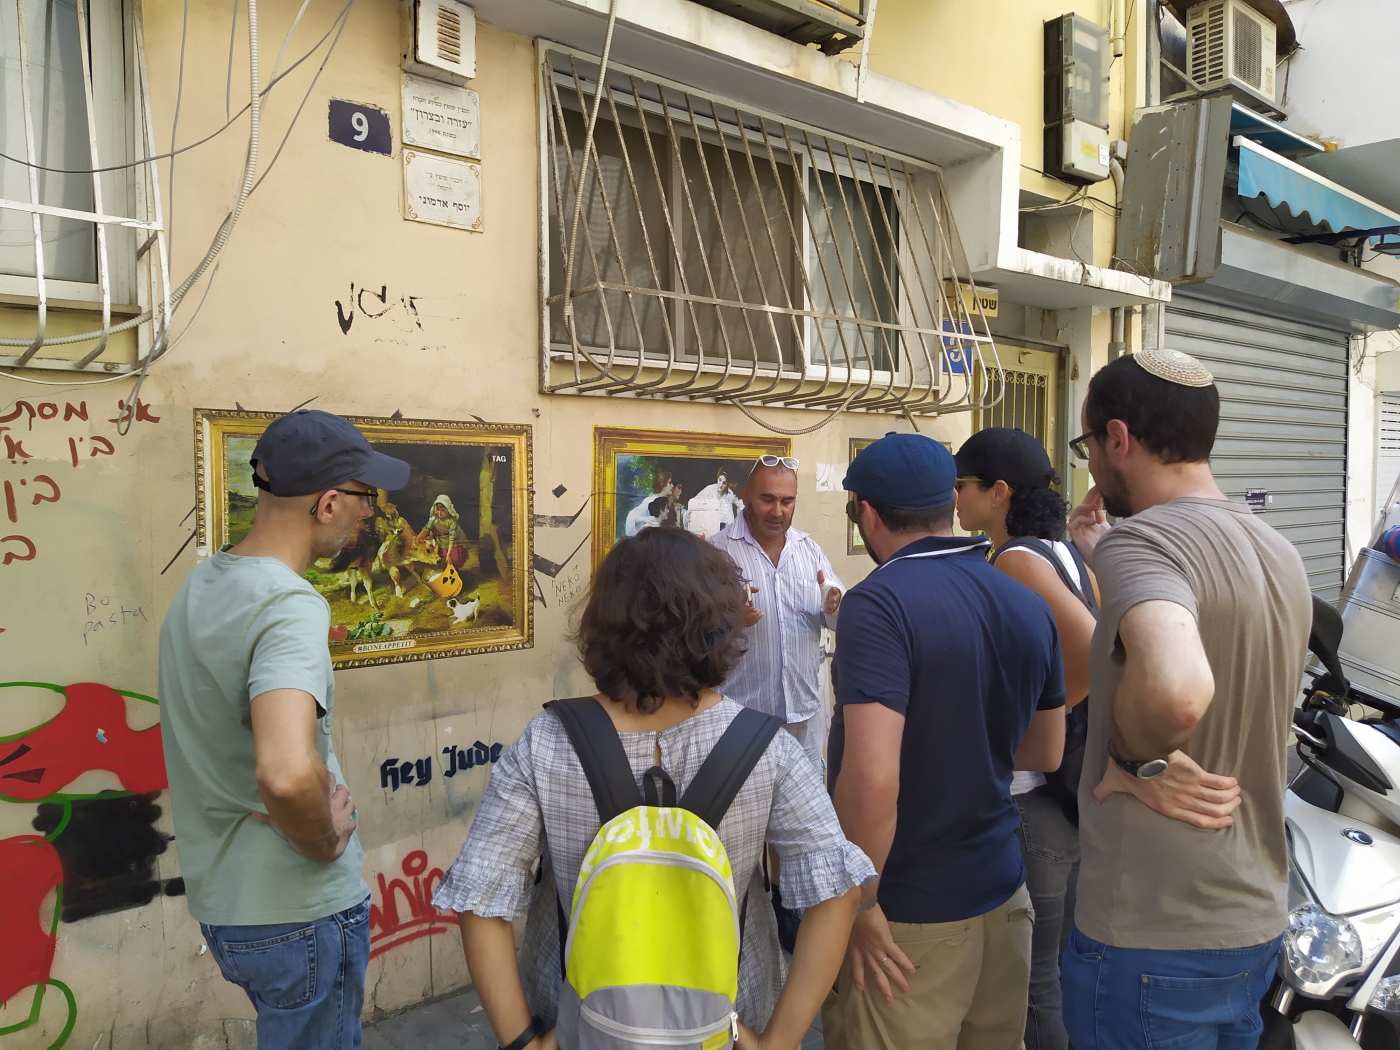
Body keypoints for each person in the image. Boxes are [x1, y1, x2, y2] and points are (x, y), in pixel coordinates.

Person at [431, 527, 875, 1050]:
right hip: (721, 1026)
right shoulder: (767, 748)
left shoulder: (548, 741)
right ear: (720, 625)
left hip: (581, 1029)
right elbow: (838, 893)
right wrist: (775, 1043)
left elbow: (479, 896)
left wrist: (524, 1042)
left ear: (603, 622)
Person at [1060, 348, 1311, 1049]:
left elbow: (1179, 691)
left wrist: (1134, 759)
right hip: (1251, 923)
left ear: (1118, 438)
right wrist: (1103, 556)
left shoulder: (1145, 543)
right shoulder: (1277, 550)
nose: (1090, 465)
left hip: (1150, 933)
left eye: (1089, 445)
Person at [158, 409, 410, 1050]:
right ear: (327, 504)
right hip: (298, 910)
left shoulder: (204, 581)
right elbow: (287, 771)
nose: (368, 512)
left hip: (230, 904)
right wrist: (323, 841)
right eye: (363, 496)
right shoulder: (289, 606)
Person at [824, 432, 1067, 1050]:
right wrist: (961, 747)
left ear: (867, 514)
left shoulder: (877, 604)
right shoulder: (1024, 600)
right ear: (949, 505)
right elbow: (1047, 750)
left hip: (910, 913)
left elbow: (872, 780)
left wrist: (859, 901)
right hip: (1004, 897)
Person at [953, 427, 1096, 1050]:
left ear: (999, 492)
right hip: (1063, 800)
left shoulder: (1015, 560)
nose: (954, 498)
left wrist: (1040, 726)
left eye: (963, 485)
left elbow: (1092, 649)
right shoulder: (1063, 553)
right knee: (1052, 975)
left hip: (1033, 797)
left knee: (1035, 988)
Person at [708, 455, 843, 771]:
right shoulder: (716, 554)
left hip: (803, 718)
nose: (778, 511)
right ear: (745, 496)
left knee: (806, 801)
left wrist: (835, 608)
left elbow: (835, 618)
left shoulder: (810, 551)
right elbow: (692, 633)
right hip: (740, 721)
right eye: (767, 499)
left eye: (787, 501)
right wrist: (730, 619)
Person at [688, 467, 743, 536]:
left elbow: (729, 519)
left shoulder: (727, 497)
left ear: (727, 485)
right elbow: (693, 504)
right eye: (720, 480)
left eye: (724, 483)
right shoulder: (709, 489)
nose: (720, 485)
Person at [419, 494, 469, 568]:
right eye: (438, 510)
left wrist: (448, 554)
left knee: (453, 560)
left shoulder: (451, 520)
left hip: (452, 542)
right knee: (441, 559)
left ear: (448, 510)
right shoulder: (434, 519)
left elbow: (451, 538)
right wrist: (418, 538)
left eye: (443, 510)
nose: (439, 512)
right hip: (441, 541)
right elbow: (427, 528)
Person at [624, 470, 674, 536]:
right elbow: (632, 517)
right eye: (670, 483)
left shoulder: (665, 502)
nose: (672, 486)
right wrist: (646, 519)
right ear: (663, 486)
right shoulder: (650, 500)